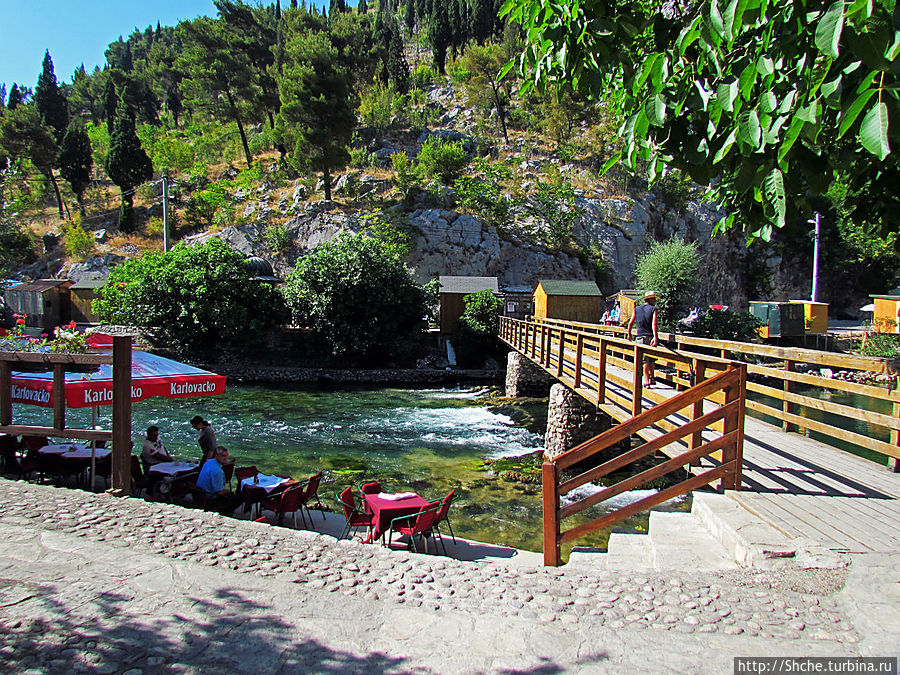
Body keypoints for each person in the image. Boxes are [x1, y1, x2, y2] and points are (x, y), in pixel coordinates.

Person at [627, 290, 660, 388]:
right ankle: (649, 379)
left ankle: (648, 380)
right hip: (650, 337)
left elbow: (630, 323)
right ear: (651, 300)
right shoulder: (654, 309)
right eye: (654, 299)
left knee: (644, 360)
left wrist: (629, 333)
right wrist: (655, 337)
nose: (655, 301)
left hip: (640, 337)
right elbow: (654, 324)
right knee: (651, 359)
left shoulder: (637, 309)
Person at [196, 446, 240, 515]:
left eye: (226, 455)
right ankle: (226, 513)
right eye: (223, 456)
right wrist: (231, 492)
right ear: (216, 455)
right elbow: (219, 492)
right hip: (209, 497)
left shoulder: (209, 462)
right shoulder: (217, 471)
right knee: (237, 498)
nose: (225, 458)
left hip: (200, 493)